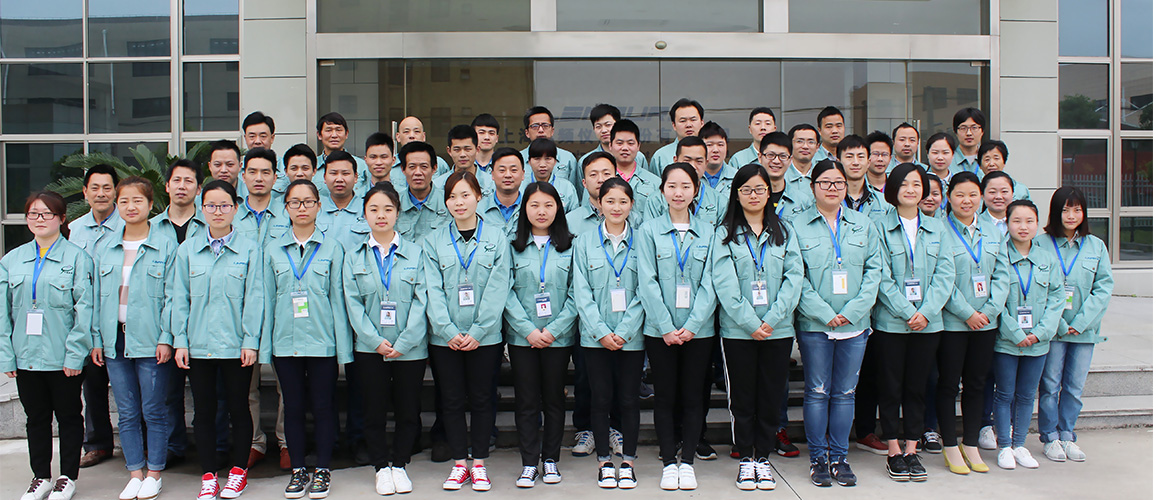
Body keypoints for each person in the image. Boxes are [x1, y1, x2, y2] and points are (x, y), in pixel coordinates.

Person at [792, 160, 882, 488]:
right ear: (812, 186)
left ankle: (840, 458)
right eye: (825, 182)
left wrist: (854, 311)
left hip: (854, 325)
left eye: (839, 183)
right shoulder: (796, 225)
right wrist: (823, 312)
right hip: (815, 324)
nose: (832, 188)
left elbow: (874, 271)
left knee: (845, 393)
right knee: (817, 392)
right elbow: (795, 275)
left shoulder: (863, 225)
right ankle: (818, 458)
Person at [712, 164, 802, 491]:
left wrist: (772, 319)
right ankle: (745, 458)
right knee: (742, 398)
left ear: (769, 194)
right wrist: (751, 322)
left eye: (760, 189)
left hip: (777, 330)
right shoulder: (724, 233)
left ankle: (763, 458)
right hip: (738, 332)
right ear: (736, 194)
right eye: (747, 189)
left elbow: (794, 277)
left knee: (770, 396)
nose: (754, 195)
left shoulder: (785, 231)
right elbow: (724, 283)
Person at [171, 180, 263, 500]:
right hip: (198, 346)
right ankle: (209, 475)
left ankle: (238, 472)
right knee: (204, 411)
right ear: (202, 208)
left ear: (236, 209)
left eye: (225, 205)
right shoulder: (188, 250)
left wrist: (251, 340)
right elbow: (179, 298)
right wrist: (180, 341)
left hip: (237, 346)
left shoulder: (250, 249)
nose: (218, 211)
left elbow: (255, 297)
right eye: (211, 205)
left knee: (239, 408)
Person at [261, 179, 353, 499]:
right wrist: (265, 349)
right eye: (294, 202)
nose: (302, 208)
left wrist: (343, 349)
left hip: (322, 342)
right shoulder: (272, 250)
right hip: (285, 342)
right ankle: (298, 469)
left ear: (318, 206)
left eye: (308, 202)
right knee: (294, 407)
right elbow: (267, 301)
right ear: (285, 207)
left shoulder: (332, 248)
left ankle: (323, 469)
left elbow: (338, 300)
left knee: (324, 406)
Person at [90, 177, 178, 500]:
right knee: (126, 411)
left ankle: (154, 473)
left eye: (137, 200)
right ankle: (135, 472)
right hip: (114, 340)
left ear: (150, 205)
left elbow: (173, 296)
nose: (130, 207)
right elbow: (95, 297)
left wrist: (167, 337)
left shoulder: (165, 245)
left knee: (154, 410)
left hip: (151, 340)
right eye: (124, 201)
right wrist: (96, 339)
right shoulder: (105, 246)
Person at [3, 191, 94, 500]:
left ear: (61, 218)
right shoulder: (12, 260)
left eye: (46, 214)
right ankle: (40, 476)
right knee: (36, 419)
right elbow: (3, 314)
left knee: (69, 417)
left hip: (63, 357)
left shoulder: (77, 259)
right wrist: (7, 357)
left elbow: (85, 310)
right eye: (33, 214)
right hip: (26, 356)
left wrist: (75, 355)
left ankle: (67, 477)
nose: (39, 219)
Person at [423, 171, 511, 492]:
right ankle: (460, 464)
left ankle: (480, 464)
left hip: (484, 338)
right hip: (444, 338)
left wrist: (479, 330)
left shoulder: (497, 238)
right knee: (451, 400)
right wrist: (446, 329)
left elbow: (499, 286)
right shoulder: (433, 240)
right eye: (452, 197)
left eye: (465, 195)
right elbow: (431, 288)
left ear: (478, 196)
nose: (458, 202)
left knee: (483, 399)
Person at [637, 163, 718, 491]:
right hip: (660, 332)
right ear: (662, 191)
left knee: (693, 396)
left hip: (699, 332)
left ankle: (688, 463)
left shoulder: (709, 232)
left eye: (686, 186)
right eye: (672, 186)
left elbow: (712, 282)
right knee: (665, 396)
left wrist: (693, 325)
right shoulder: (648, 231)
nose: (679, 192)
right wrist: (666, 326)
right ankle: (669, 461)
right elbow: (646, 281)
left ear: (695, 191)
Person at [872, 163, 955, 483]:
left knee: (918, 387)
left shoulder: (938, 228)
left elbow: (945, 274)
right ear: (893, 188)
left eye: (917, 184)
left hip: (928, 324)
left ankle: (911, 448)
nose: (911, 189)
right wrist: (907, 311)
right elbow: (880, 275)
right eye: (904, 184)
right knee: (890, 386)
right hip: (892, 323)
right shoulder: (879, 226)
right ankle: (893, 450)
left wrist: (926, 311)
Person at [343, 182, 427, 495]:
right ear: (364, 214)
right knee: (373, 410)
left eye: (388, 209)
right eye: (374, 209)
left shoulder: (416, 253)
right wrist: (374, 341)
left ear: (397, 213)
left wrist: (404, 343)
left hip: (410, 349)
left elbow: (423, 300)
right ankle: (381, 466)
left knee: (408, 409)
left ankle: (400, 464)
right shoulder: (353, 256)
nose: (381, 215)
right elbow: (352, 303)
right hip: (370, 349)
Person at [936, 171, 1011, 475]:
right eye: (959, 195)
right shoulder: (939, 230)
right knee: (948, 384)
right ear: (948, 197)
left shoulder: (994, 232)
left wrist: (990, 311)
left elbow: (1003, 276)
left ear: (980, 197)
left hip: (986, 324)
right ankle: (950, 445)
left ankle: (971, 443)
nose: (966, 201)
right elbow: (941, 278)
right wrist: (967, 312)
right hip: (953, 323)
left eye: (972, 195)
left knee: (977, 384)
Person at [573, 178, 645, 489]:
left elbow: (646, 289)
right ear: (599, 204)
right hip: (595, 338)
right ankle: (604, 461)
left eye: (623, 201)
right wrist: (601, 331)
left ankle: (628, 461)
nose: (616, 207)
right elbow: (581, 291)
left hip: (632, 337)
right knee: (600, 398)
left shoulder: (642, 241)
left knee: (628, 399)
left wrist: (625, 330)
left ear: (631, 205)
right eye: (610, 201)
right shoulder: (584, 242)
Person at [505, 182, 578, 488]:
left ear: (558, 208)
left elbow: (576, 293)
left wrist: (553, 330)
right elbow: (505, 292)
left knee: (554, 399)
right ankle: (528, 462)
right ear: (524, 209)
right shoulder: (512, 246)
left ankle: (550, 460)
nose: (541, 211)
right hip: (522, 338)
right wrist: (529, 330)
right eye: (534, 205)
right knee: (526, 401)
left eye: (548, 205)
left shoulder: (571, 246)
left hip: (557, 338)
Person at [1037, 187, 1114, 463]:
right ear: (1055, 212)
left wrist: (1080, 323)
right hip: (1053, 329)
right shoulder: (1041, 244)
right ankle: (1050, 437)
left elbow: (1103, 288)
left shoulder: (1096, 246)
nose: (1071, 215)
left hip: (1084, 330)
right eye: (1065, 210)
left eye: (1077, 210)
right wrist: (1057, 323)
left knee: (1074, 387)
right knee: (1050, 385)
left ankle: (1067, 434)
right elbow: (1037, 290)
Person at [994, 199, 1065, 471]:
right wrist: (1014, 332)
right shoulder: (999, 255)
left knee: (1026, 395)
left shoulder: (1047, 259)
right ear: (1007, 223)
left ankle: (1019, 445)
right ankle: (1004, 446)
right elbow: (995, 300)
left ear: (1037, 224)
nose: (1023, 227)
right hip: (1006, 342)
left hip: (1038, 343)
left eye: (1029, 221)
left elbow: (1057, 299)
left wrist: (1040, 333)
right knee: (1004, 394)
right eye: (1016, 221)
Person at [69, 165, 121, 470]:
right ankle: (98, 443)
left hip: (120, 316)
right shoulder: (74, 229)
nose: (101, 194)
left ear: (116, 191)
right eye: (95, 188)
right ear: (85, 192)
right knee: (93, 386)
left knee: (130, 387)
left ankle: (139, 442)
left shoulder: (129, 224)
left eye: (107, 187)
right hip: (87, 318)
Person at [644, 137, 725, 225]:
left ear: (706, 163)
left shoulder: (719, 201)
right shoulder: (656, 200)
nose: (693, 166)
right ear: (675, 161)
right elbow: (649, 230)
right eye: (687, 160)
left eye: (699, 161)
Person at [579, 104, 648, 188]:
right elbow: (582, 191)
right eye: (598, 126)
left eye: (608, 125)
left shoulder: (639, 157)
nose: (604, 130)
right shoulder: (586, 160)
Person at [235, 148, 292, 246]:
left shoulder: (287, 214)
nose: (259, 179)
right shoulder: (233, 216)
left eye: (265, 173)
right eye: (252, 172)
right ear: (244, 177)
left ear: (274, 178)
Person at [395, 141, 450, 241]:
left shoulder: (448, 202)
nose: (418, 173)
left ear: (434, 169)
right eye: (412, 167)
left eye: (424, 167)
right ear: (403, 169)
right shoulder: (394, 203)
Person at [609, 119, 662, 223]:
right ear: (610, 146)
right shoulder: (602, 179)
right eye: (619, 143)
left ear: (638, 146)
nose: (625, 148)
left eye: (630, 143)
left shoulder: (655, 182)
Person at [314, 112, 370, 197]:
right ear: (319, 135)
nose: (334, 135)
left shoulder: (362, 166)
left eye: (338, 130)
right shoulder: (311, 167)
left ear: (346, 134)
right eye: (328, 130)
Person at [759, 132, 811, 222]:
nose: (776, 161)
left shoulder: (802, 201)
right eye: (770, 155)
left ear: (790, 160)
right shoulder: (750, 197)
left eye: (783, 156)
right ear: (760, 157)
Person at [519, 106, 579, 185]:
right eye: (535, 126)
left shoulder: (568, 158)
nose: (541, 130)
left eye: (545, 126)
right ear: (527, 133)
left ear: (552, 131)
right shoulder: (518, 159)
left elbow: (574, 189)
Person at [152, 159, 206, 245]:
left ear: (198, 189)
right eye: (177, 180)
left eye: (188, 181)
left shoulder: (210, 226)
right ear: (167, 186)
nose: (181, 186)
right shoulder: (151, 227)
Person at [434, 125, 497, 196]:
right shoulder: (437, 186)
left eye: (467, 149)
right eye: (457, 150)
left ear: (477, 150)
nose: (462, 155)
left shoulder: (492, 184)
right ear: (449, 151)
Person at [839, 135, 890, 219]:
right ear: (838, 162)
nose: (855, 162)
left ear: (868, 162)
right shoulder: (831, 198)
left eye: (861, 157)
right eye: (849, 157)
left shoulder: (884, 202)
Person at [478, 147, 527, 235]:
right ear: (492, 174)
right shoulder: (479, 210)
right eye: (502, 170)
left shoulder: (531, 208)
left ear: (523, 174)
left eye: (513, 170)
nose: (508, 175)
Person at [524, 138, 581, 212]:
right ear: (529, 162)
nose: (542, 165)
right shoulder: (520, 186)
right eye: (537, 159)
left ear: (555, 162)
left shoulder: (567, 187)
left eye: (548, 159)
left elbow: (574, 215)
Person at [650, 99, 705, 174]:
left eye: (693, 119)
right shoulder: (660, 156)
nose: (688, 125)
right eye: (683, 121)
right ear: (674, 125)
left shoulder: (711, 152)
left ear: (702, 123)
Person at [700, 121, 738, 194]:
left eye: (720, 145)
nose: (715, 150)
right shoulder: (692, 177)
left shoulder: (737, 176)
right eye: (709, 145)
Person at [786, 124, 820, 201]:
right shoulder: (781, 175)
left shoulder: (822, 175)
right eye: (799, 141)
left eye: (811, 142)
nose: (805, 146)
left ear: (817, 147)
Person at [952, 108, 986, 177]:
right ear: (955, 132)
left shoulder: (988, 160)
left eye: (974, 128)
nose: (969, 133)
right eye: (963, 128)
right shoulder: (948, 160)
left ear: (982, 131)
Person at [982, 171, 1016, 237]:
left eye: (1004, 191)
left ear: (1012, 194)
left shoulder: (1021, 224)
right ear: (983, 195)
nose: (998, 197)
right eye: (992, 192)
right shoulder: (975, 224)